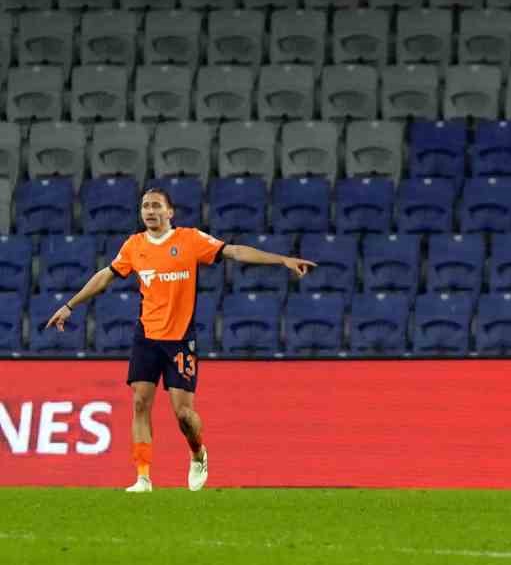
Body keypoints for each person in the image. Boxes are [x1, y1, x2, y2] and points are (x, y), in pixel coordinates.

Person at [45, 187, 316, 492]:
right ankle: (143, 477)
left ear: (170, 212)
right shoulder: (134, 246)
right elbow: (106, 276)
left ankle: (198, 453)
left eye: (156, 206)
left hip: (179, 339)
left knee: (184, 415)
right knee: (139, 403)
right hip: (146, 335)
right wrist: (69, 306)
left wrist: (282, 260)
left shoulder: (189, 240)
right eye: (145, 206)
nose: (150, 211)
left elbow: (235, 251)